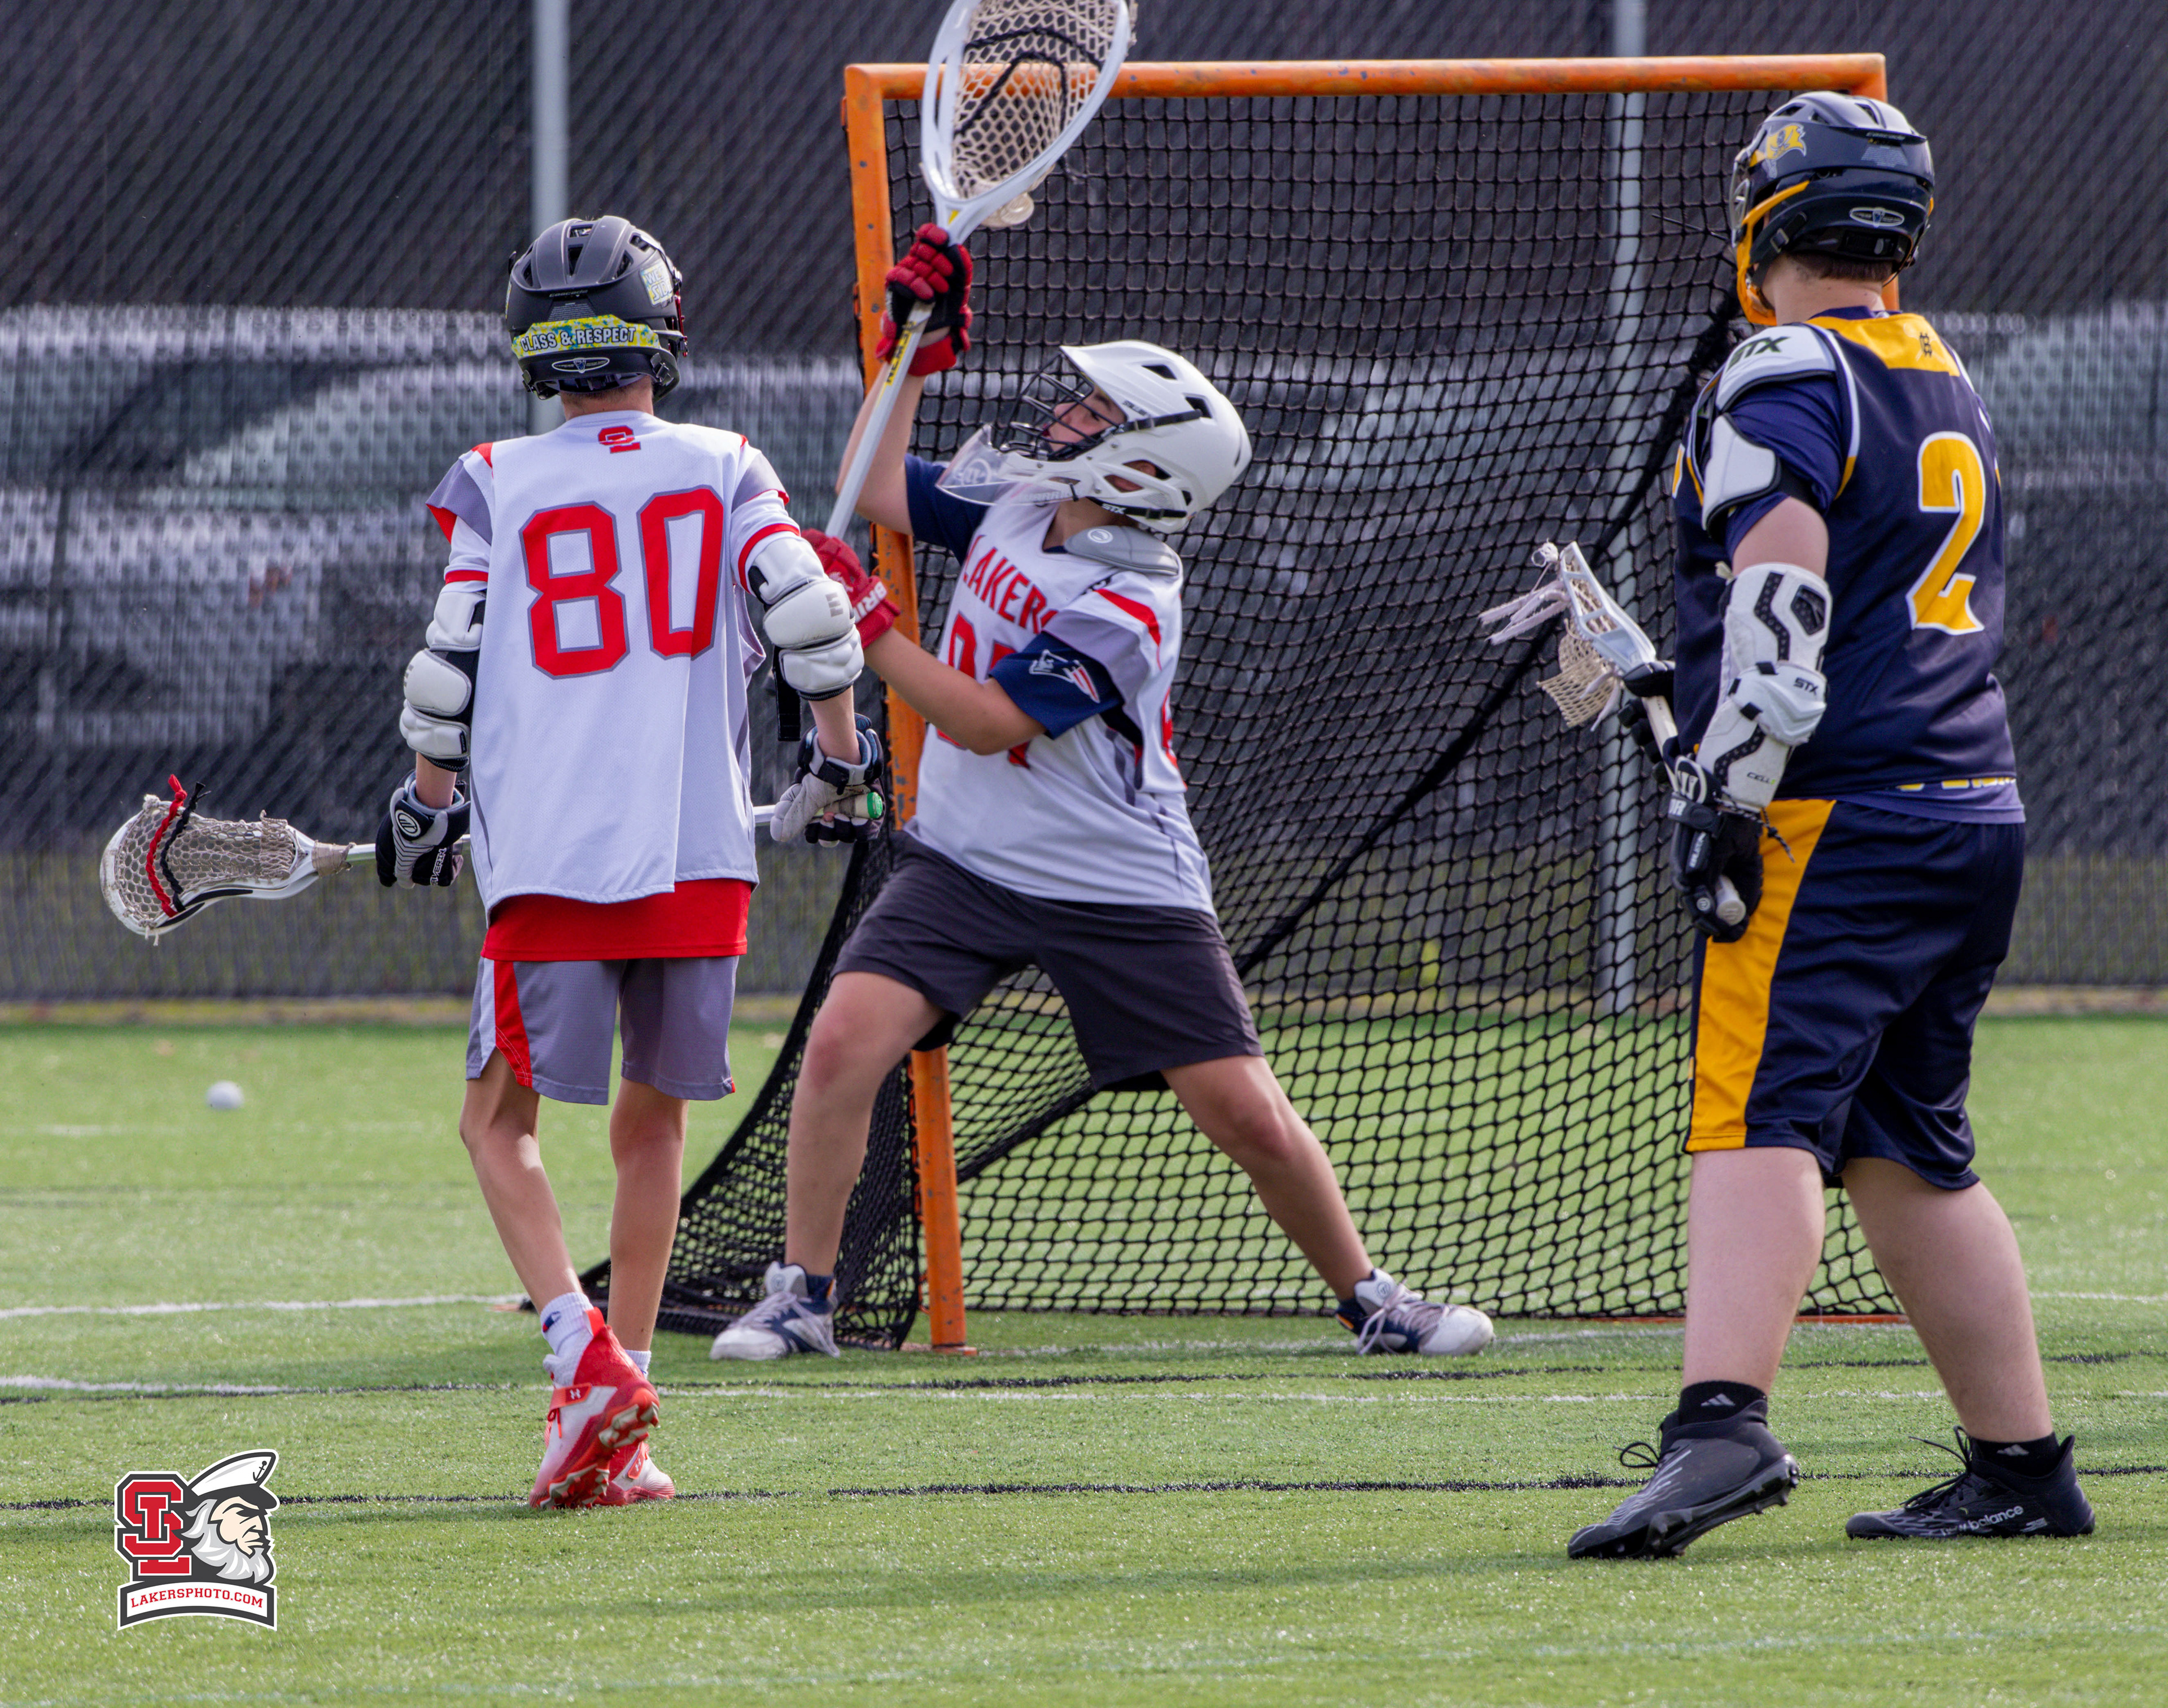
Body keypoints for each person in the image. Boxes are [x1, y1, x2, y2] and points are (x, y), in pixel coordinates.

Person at [709, 225, 1493, 1362]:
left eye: (1092, 412)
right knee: (840, 1046)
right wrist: (909, 362)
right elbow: (872, 485)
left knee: (1242, 1110)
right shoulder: (1023, 504)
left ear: (1139, 470)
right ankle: (803, 1296)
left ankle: (1374, 1296)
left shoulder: (1133, 606)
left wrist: (862, 623)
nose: (1063, 415)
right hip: (967, 859)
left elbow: (986, 718)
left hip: (1117, 880)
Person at [1570, 95, 2094, 1558]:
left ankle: (1721, 1423)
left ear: (1766, 225)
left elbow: (1790, 602)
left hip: (1837, 814)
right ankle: (2021, 1465)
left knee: (1758, 1113)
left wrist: (1730, 793)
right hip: (1968, 806)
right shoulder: (1940, 369)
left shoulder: (1783, 366)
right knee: (1908, 1150)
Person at [377, 215, 878, 1508]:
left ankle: (579, 1351)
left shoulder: (497, 476)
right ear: (662, 332)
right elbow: (815, 620)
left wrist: (427, 806)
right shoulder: (728, 463)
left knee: (497, 1124)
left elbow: (448, 670)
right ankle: (626, 1415)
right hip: (699, 857)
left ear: (533, 347)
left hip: (551, 859)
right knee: (653, 1124)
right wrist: (837, 768)